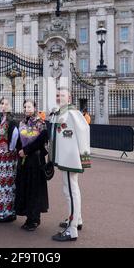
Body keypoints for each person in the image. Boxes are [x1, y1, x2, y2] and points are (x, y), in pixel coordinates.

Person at [49, 87, 91, 242]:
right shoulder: (62, 113)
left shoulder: (72, 113)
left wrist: (84, 158)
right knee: (70, 189)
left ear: (70, 98)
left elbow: (84, 132)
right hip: (65, 158)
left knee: (70, 191)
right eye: (57, 95)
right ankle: (76, 219)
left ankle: (72, 229)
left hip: (70, 159)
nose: (59, 97)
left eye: (62, 95)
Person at [15, 99, 49, 231]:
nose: (27, 109)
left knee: (35, 189)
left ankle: (35, 218)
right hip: (25, 160)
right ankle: (29, 216)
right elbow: (19, 139)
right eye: (25, 107)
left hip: (36, 160)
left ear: (34, 108)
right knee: (26, 187)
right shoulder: (22, 122)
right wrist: (20, 150)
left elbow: (41, 140)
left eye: (29, 107)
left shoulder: (40, 122)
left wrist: (26, 150)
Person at [0, 98, 19, 223]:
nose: (3, 106)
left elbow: (15, 135)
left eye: (6, 104)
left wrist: (10, 149)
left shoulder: (12, 120)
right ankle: (0, 211)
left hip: (8, 156)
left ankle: (8, 212)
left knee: (7, 184)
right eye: (2, 104)